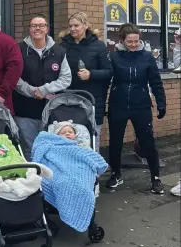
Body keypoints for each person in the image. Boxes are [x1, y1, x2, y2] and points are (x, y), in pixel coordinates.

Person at [107, 23, 166, 194]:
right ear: (122, 40)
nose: (133, 45)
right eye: (129, 42)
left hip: (141, 105)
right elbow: (105, 80)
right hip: (118, 105)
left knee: (148, 142)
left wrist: (161, 103)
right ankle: (116, 174)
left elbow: (155, 82)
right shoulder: (114, 57)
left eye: (136, 41)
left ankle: (155, 177)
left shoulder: (147, 57)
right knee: (115, 143)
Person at [13, 13, 72, 160]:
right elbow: (13, 77)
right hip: (25, 109)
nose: (37, 28)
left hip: (51, 109)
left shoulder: (59, 51)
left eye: (41, 25)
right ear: (29, 29)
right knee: (29, 148)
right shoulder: (18, 49)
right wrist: (32, 91)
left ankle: (48, 181)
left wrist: (44, 90)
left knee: (51, 148)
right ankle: (32, 180)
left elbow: (66, 78)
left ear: (47, 29)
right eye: (34, 25)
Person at [59, 12, 113, 152]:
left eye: (76, 25)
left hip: (93, 100)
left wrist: (91, 74)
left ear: (86, 25)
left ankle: (94, 172)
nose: (72, 29)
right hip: (69, 100)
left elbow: (109, 72)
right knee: (70, 137)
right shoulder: (63, 47)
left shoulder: (99, 46)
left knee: (92, 138)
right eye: (70, 26)